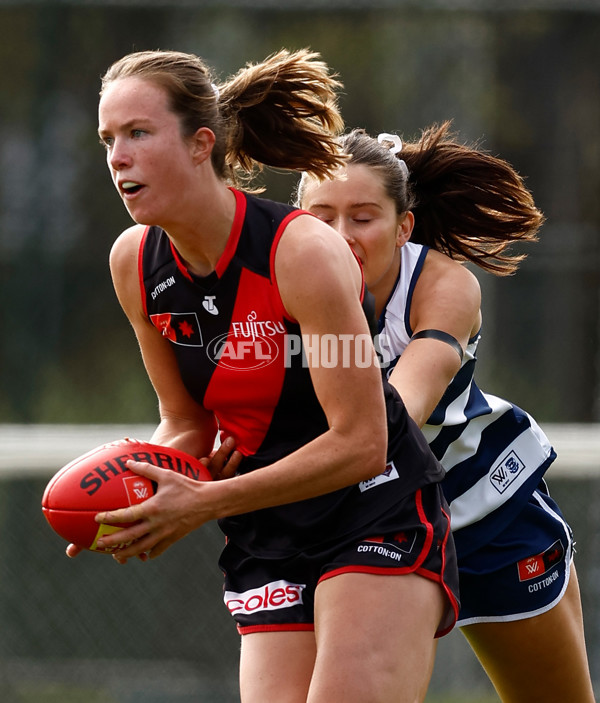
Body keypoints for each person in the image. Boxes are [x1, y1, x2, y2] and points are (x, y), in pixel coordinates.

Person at [69, 49, 460, 703]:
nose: (117, 156)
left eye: (138, 133)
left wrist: (204, 501)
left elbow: (362, 441)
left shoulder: (301, 254)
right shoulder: (135, 263)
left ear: (201, 144)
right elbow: (186, 423)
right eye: (108, 139)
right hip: (267, 528)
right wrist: (132, 502)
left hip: (376, 506)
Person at [296, 123, 596, 703]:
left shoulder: (441, 284)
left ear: (403, 225)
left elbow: (393, 419)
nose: (340, 234)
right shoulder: (276, 286)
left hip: (483, 510)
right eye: (322, 215)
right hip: (364, 520)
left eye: (362, 216)